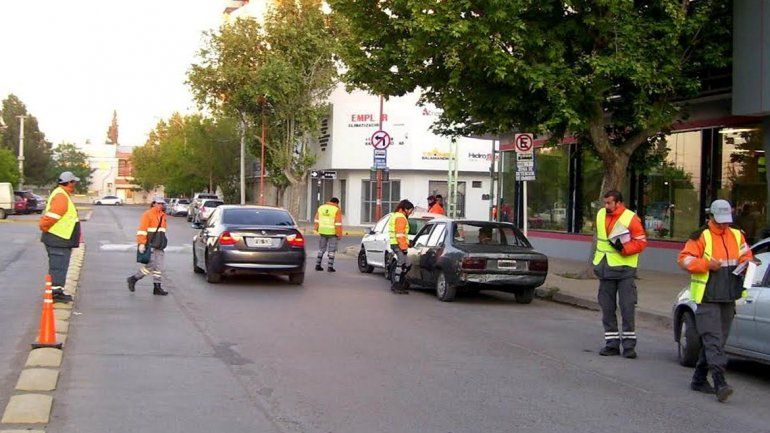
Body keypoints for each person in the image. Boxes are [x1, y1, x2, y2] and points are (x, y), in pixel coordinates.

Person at [678, 199, 755, 402]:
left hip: (728, 297)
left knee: (716, 341)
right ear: (710, 217)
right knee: (713, 340)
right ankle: (720, 382)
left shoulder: (736, 235)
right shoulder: (700, 237)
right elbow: (684, 259)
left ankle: (698, 379)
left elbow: (746, 254)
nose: (723, 225)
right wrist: (705, 264)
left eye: (726, 222)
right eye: (719, 221)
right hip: (707, 297)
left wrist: (746, 262)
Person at [593, 190, 648, 358]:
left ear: (618, 203)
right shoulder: (601, 214)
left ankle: (629, 346)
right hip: (605, 268)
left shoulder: (630, 218)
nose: (606, 206)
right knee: (607, 308)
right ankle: (612, 344)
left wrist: (624, 249)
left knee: (627, 308)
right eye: (605, 202)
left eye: (609, 203)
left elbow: (641, 242)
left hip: (624, 270)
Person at [38, 171, 82, 303]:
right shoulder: (61, 196)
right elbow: (53, 216)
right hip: (59, 238)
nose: (75, 184)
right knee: (59, 266)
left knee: (59, 265)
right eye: (74, 182)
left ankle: (57, 290)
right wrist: (44, 226)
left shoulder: (61, 194)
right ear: (69, 183)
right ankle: (56, 293)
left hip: (60, 238)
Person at [127, 197, 169, 296]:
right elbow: (142, 230)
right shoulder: (148, 214)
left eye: (162, 204)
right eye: (158, 204)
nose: (160, 206)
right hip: (151, 244)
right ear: (154, 204)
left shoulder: (163, 215)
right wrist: (142, 243)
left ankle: (157, 287)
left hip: (160, 244)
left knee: (158, 267)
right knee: (152, 265)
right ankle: (134, 278)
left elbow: (162, 231)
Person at [389, 199, 415, 294]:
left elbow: (402, 235)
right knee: (401, 263)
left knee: (407, 263)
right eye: (411, 210)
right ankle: (396, 284)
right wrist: (404, 248)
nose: (411, 212)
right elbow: (400, 235)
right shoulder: (401, 218)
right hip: (398, 244)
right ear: (406, 209)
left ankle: (401, 283)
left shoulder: (397, 215)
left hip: (396, 243)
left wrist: (408, 243)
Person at [314, 197, 343, 272]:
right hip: (332, 233)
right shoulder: (336, 210)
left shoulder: (321, 208)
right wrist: (339, 234)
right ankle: (330, 267)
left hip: (322, 231)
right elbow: (338, 224)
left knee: (321, 249)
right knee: (332, 250)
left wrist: (316, 228)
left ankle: (318, 265)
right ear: (336, 203)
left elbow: (316, 219)